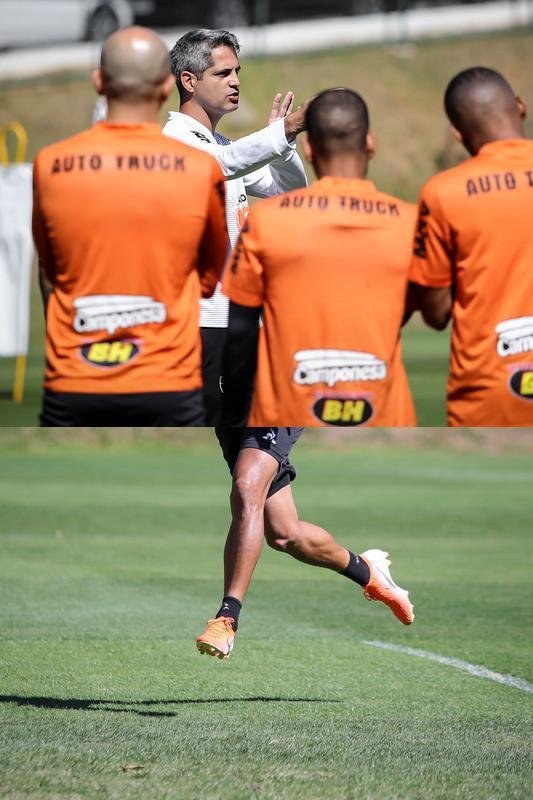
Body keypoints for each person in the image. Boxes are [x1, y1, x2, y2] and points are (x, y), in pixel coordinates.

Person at [33, 27, 228, 426]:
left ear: (98, 82)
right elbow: (210, 277)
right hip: (169, 379)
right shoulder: (200, 169)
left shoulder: (51, 164)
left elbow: (51, 274)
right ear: (164, 87)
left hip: (75, 379)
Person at [220, 88, 417, 428]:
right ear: (370, 143)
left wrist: (236, 398)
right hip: (384, 413)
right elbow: (436, 309)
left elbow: (240, 326)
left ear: (309, 150)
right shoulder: (410, 220)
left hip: (285, 406)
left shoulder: (266, 221)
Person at [162, 29, 308, 424]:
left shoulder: (222, 144)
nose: (236, 81)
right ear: (188, 81)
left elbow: (288, 192)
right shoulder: (175, 140)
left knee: (250, 438)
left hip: (240, 320)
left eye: (237, 72)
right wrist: (283, 132)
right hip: (200, 321)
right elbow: (219, 166)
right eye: (223, 73)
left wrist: (284, 145)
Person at [196, 426, 414, 660]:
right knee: (284, 534)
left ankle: (227, 618)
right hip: (232, 410)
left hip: (273, 406)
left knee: (247, 487)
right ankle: (368, 571)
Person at [409, 67, 533, 426]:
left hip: (490, 392)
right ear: (520, 106)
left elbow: (436, 312)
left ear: (457, 132)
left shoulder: (443, 192)